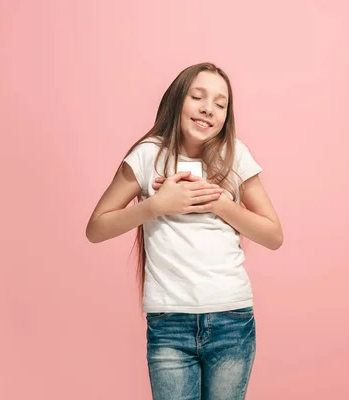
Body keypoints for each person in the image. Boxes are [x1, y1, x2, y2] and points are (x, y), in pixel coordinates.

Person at [85, 62, 283, 400]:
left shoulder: (234, 155)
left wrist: (219, 202)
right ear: (178, 101)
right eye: (198, 97)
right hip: (169, 322)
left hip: (232, 319)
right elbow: (96, 228)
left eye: (221, 104)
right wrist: (156, 205)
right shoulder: (148, 155)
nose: (209, 108)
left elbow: (273, 235)